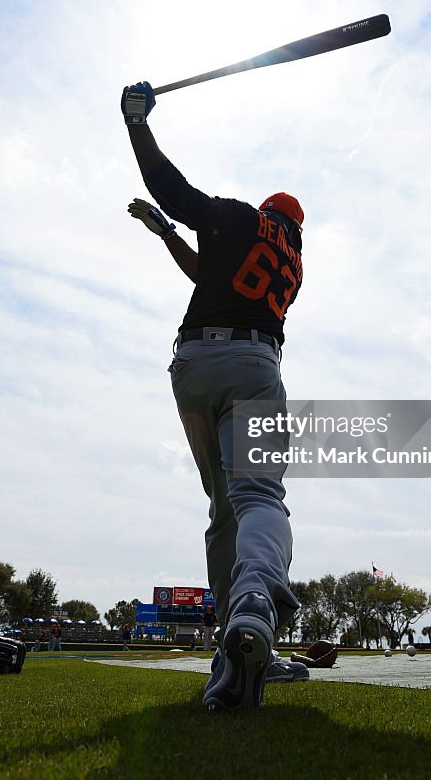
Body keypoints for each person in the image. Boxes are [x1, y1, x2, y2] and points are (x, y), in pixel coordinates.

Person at [122, 81, 308, 709]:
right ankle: (254, 604)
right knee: (258, 495)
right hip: (254, 362)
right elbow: (216, 271)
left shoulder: (239, 217)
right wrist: (169, 233)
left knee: (223, 506)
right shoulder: (292, 262)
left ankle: (231, 637)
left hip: (193, 364)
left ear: (266, 208)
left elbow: (175, 193)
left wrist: (137, 124)